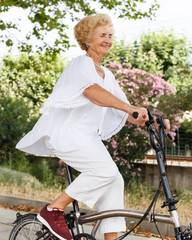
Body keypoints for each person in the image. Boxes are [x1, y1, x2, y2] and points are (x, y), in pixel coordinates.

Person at [16, 14, 170, 240]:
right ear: (87, 39)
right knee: (104, 172)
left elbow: (124, 109)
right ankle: (52, 210)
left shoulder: (107, 74)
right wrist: (129, 108)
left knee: (114, 180)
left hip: (86, 138)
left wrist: (152, 120)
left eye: (110, 35)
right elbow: (92, 93)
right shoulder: (80, 64)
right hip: (66, 133)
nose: (108, 39)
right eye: (102, 35)